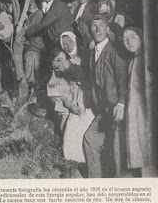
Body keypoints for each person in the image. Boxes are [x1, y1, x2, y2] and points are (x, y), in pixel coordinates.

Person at [56, 14, 128, 178]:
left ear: (107, 28)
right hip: (103, 110)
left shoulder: (114, 51)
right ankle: (95, 181)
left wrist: (121, 104)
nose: (97, 29)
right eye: (94, 27)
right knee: (90, 139)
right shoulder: (91, 53)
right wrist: (67, 66)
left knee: (115, 148)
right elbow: (84, 74)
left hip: (116, 108)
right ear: (90, 30)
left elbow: (123, 80)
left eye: (101, 26)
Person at [25, 0, 74, 114]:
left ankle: (64, 110)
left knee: (64, 77)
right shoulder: (46, 7)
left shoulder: (59, 5)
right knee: (54, 77)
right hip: (54, 47)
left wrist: (26, 32)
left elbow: (45, 24)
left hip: (65, 45)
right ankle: (54, 109)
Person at [53, 32, 94, 165]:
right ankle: (73, 163)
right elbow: (61, 88)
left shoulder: (87, 56)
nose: (67, 46)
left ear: (75, 40)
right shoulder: (61, 61)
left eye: (70, 41)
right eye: (64, 44)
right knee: (69, 129)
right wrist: (70, 104)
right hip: (73, 101)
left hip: (89, 98)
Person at [122, 27, 157, 177]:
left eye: (133, 37)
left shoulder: (147, 59)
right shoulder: (133, 60)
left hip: (146, 114)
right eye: (125, 39)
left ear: (142, 37)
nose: (129, 41)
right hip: (135, 112)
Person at [23, 0, 46, 95]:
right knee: (31, 77)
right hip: (31, 48)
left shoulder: (38, 14)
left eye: (32, 2)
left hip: (35, 48)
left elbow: (30, 31)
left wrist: (25, 28)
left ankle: (34, 99)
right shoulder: (32, 15)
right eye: (28, 2)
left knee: (33, 77)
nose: (30, 5)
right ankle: (32, 99)